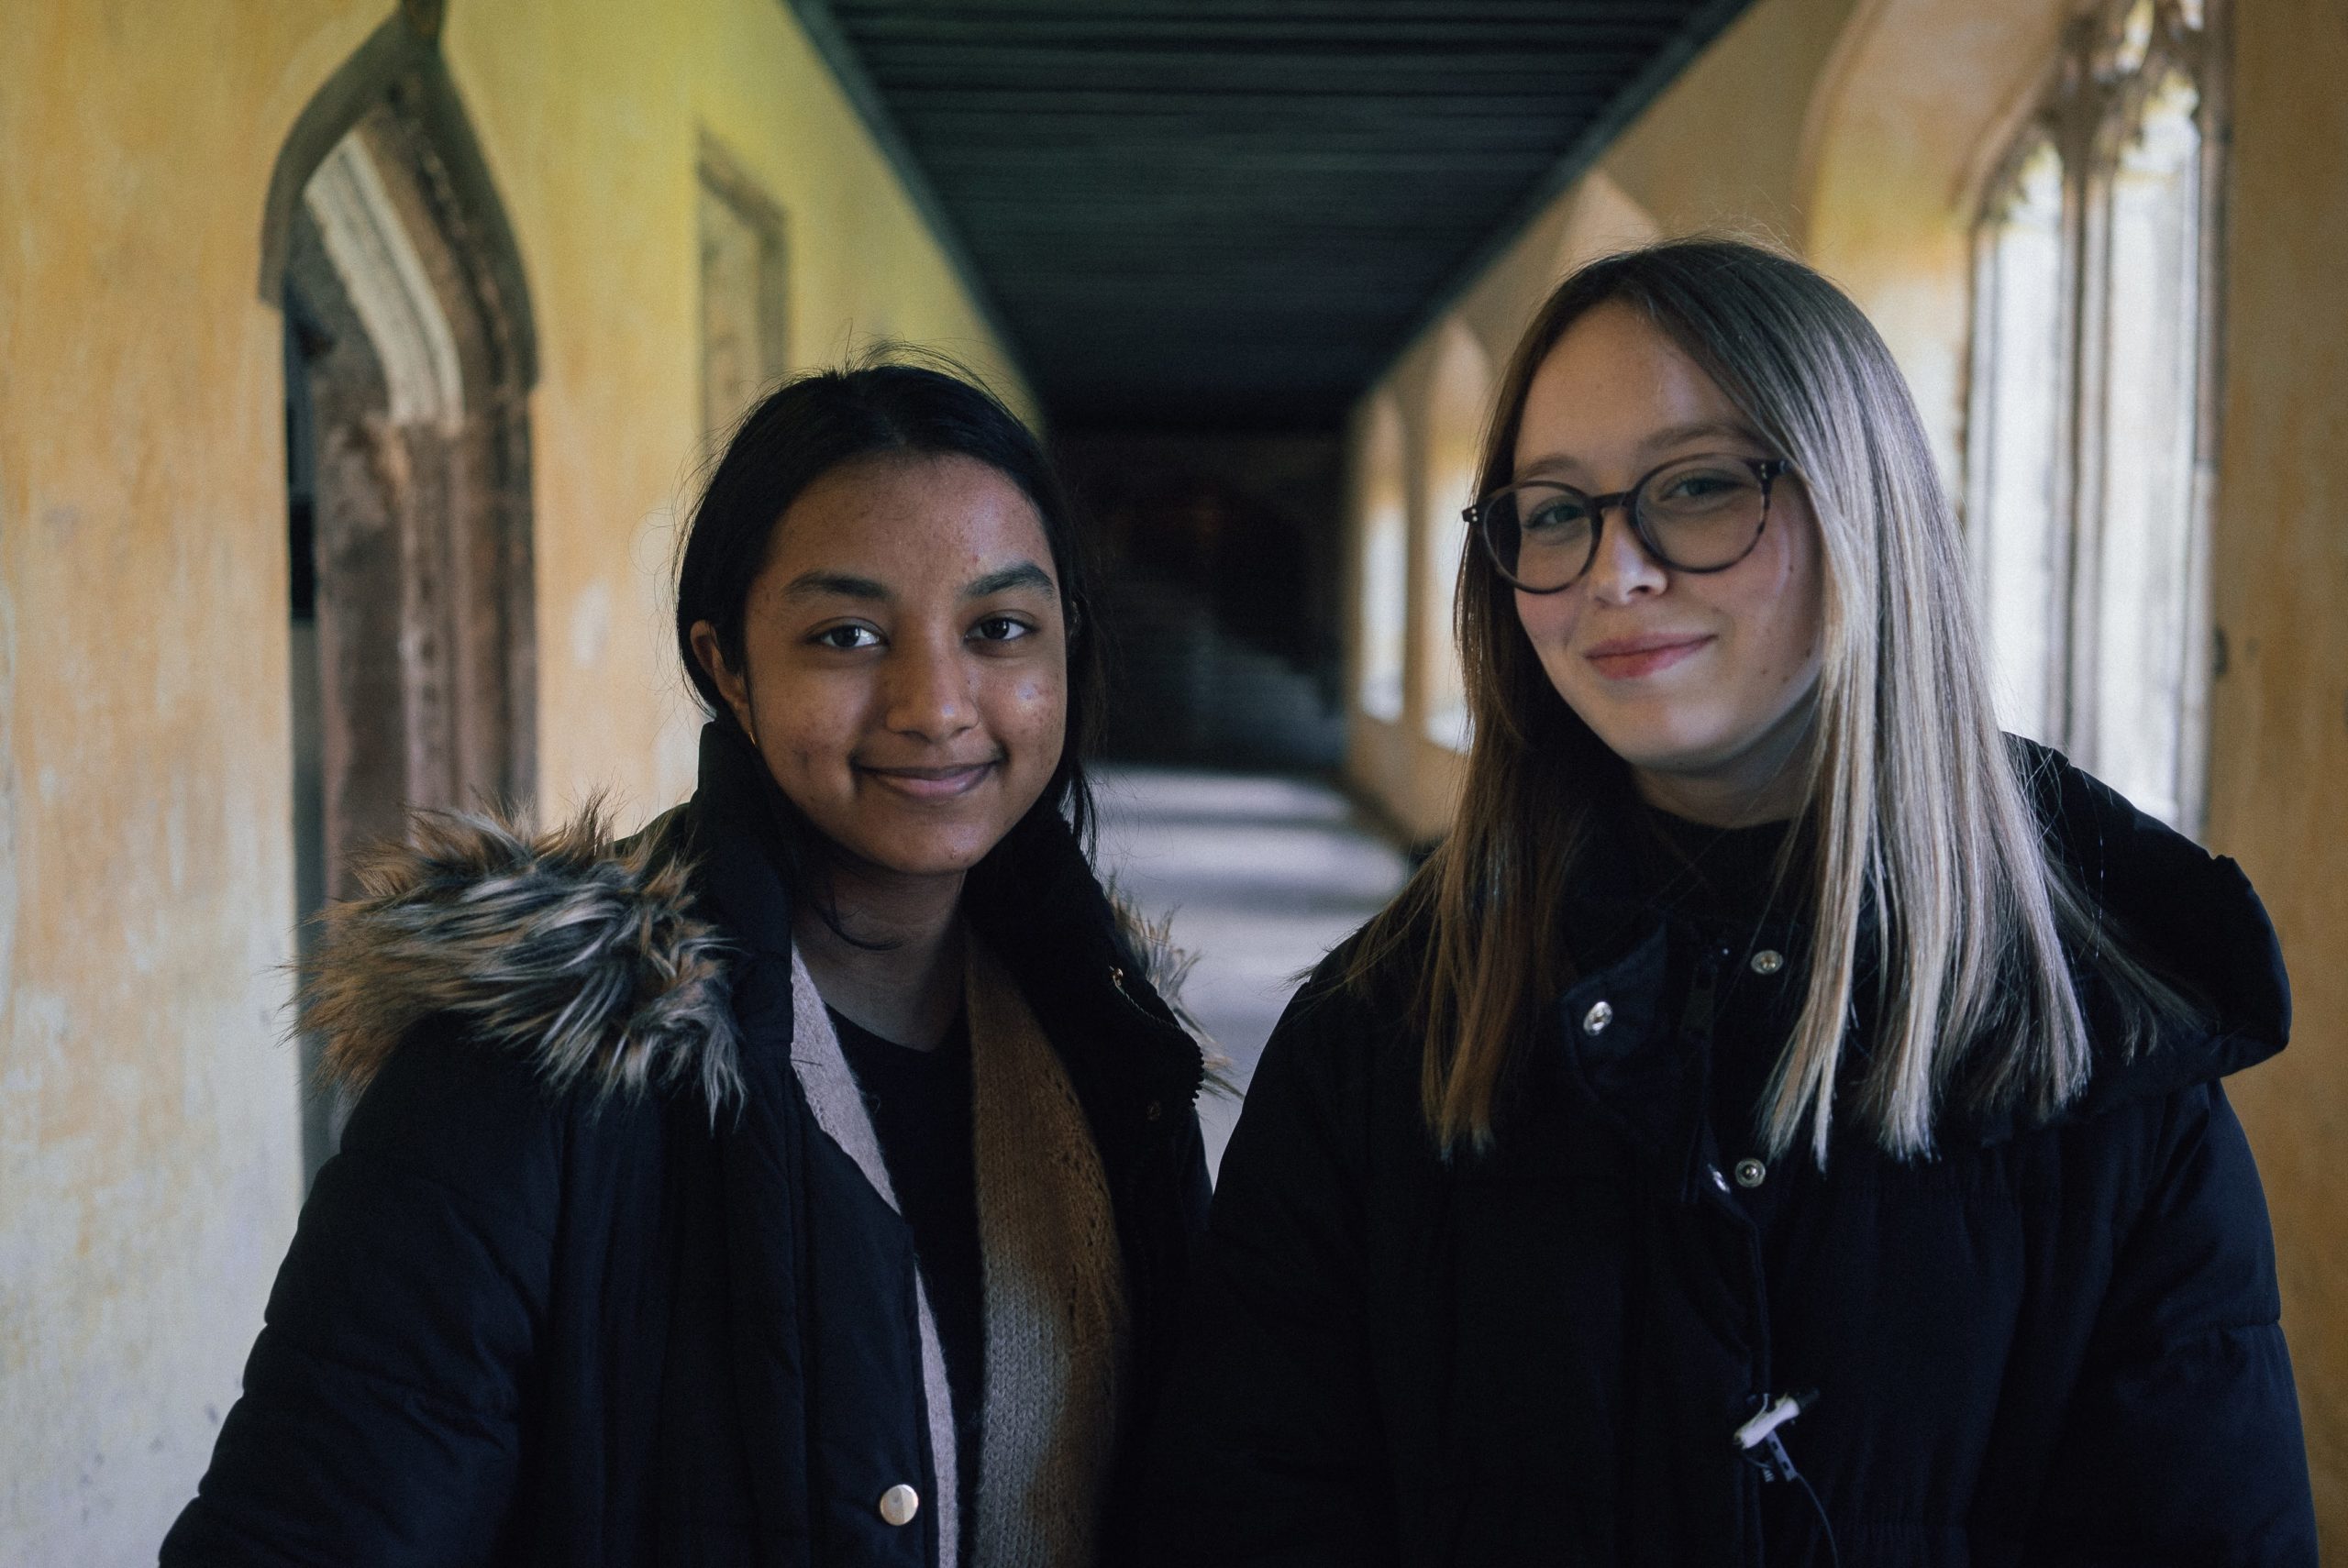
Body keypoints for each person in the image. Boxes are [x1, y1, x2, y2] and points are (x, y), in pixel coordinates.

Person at [1136, 240, 2316, 1565]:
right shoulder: (1383, 1033)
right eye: (1553, 509)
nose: (1612, 571)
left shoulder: (2102, 1045)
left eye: (1698, 489)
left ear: (1864, 508)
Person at [162, 360, 1210, 1568]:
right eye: (848, 633)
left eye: (999, 628)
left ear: (1064, 648)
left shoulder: (1113, 1045)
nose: (936, 702)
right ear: (727, 666)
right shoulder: (538, 1062)